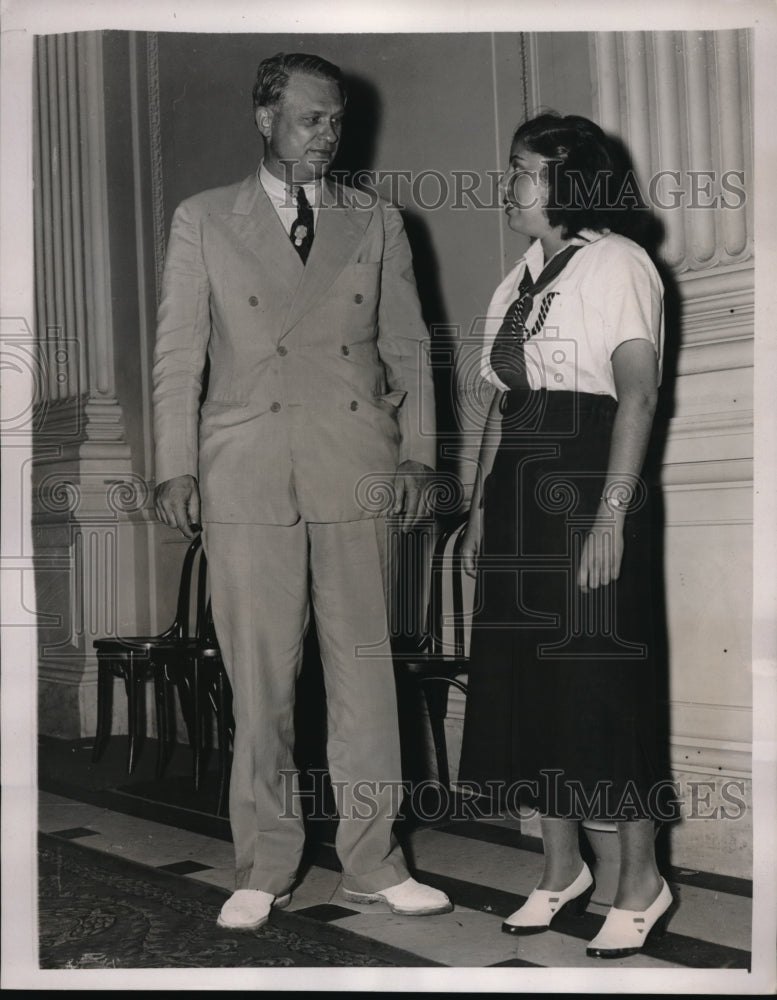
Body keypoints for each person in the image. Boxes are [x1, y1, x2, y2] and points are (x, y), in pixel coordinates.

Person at [152, 52, 452, 930]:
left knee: (364, 673)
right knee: (261, 684)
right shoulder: (203, 218)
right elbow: (179, 354)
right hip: (244, 472)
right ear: (264, 118)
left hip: (354, 462)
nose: (328, 136)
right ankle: (263, 864)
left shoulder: (378, 221)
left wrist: (419, 455)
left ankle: (372, 861)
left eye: (336, 121)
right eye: (310, 119)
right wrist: (176, 464)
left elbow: (410, 348)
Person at [457, 113, 673, 958]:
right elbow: (500, 407)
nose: (506, 183)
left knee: (595, 686)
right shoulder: (516, 279)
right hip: (518, 492)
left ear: (566, 180)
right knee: (523, 687)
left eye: (521, 169)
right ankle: (559, 870)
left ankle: (640, 879)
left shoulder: (617, 263)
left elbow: (639, 397)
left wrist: (610, 514)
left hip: (589, 482)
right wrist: (479, 510)